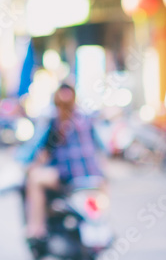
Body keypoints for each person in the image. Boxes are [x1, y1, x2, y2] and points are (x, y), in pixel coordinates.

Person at [20, 83, 105, 246]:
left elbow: (36, 147)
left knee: (34, 179)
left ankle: (36, 228)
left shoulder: (54, 120)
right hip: (94, 176)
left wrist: (24, 162)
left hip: (68, 175)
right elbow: (102, 146)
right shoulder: (87, 118)